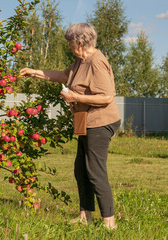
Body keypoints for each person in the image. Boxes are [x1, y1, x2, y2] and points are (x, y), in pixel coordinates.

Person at [20, 23, 121, 229]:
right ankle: (85, 215)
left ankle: (109, 222)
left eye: (70, 43)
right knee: (81, 169)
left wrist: (74, 96)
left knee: (95, 170)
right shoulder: (80, 61)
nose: (69, 46)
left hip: (101, 121)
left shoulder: (96, 62)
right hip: (86, 120)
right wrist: (35, 72)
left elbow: (108, 96)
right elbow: (63, 76)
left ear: (80, 43)